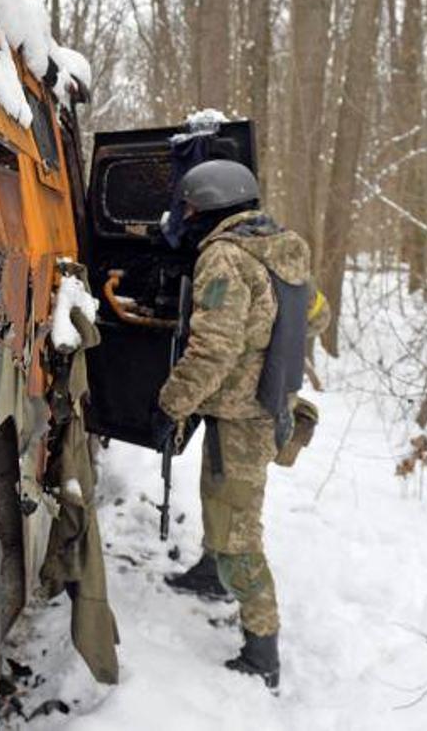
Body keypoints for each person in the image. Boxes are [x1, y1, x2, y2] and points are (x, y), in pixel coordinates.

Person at [156, 159, 329, 691]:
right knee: (220, 495)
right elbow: (316, 314)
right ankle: (211, 574)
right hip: (260, 406)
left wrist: (171, 403)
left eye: (189, 205)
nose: (184, 214)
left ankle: (262, 648)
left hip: (241, 412)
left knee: (239, 533)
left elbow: (213, 348)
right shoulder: (283, 246)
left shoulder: (226, 257)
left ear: (211, 204)